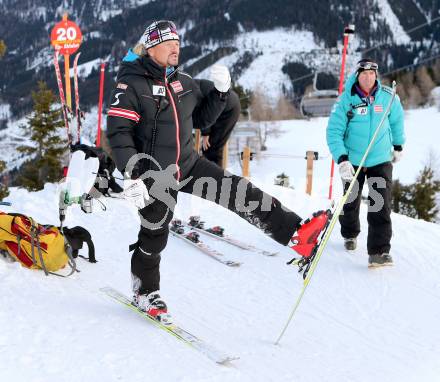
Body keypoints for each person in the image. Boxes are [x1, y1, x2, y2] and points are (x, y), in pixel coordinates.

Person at [107, 20, 329, 323]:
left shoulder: (183, 81)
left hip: (187, 165)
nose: (176, 47)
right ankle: (145, 291)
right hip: (152, 175)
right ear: (151, 47)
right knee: (154, 234)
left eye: (178, 42)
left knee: (239, 192)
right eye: (169, 43)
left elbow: (201, 119)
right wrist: (132, 175)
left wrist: (221, 95)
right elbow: (119, 133)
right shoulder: (130, 84)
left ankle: (296, 234)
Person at [326, 58, 405, 268]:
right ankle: (349, 233)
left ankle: (378, 252)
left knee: (379, 204)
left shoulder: (388, 97)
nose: (368, 78)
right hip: (354, 161)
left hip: (380, 159)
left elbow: (397, 122)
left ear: (376, 76)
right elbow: (334, 132)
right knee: (350, 200)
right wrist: (342, 159)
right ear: (358, 75)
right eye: (364, 74)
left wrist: (398, 146)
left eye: (372, 74)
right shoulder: (346, 100)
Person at [122, 51, 241, 167]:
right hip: (216, 103)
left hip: (227, 107)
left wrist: (207, 132)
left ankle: (215, 183)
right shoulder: (176, 87)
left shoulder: (184, 91)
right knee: (206, 147)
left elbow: (206, 105)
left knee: (212, 149)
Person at [195, 79, 241, 166]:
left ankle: (215, 178)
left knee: (212, 149)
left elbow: (205, 112)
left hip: (228, 110)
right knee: (209, 149)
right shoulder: (187, 86)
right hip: (220, 104)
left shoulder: (188, 93)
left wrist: (206, 133)